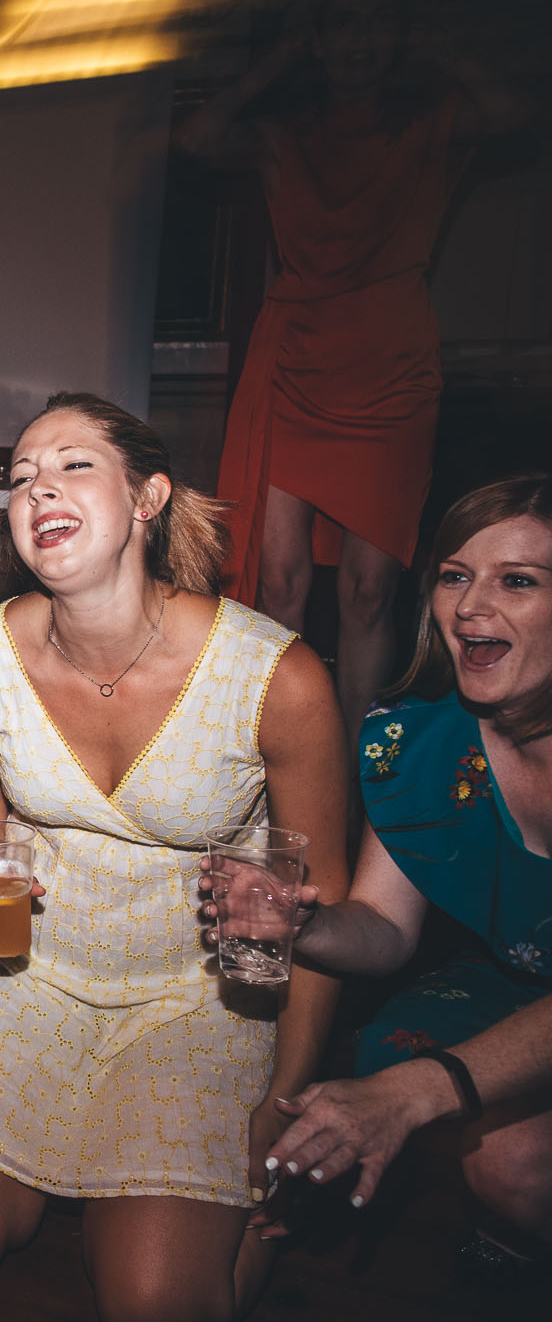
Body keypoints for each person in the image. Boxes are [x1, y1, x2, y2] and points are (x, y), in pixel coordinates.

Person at [0, 394, 349, 1321]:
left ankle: (203, 1223)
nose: (38, 489)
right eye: (19, 477)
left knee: (155, 1304)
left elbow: (327, 907)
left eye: (71, 465)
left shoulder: (276, 676)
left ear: (148, 497)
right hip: (25, 974)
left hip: (200, 995)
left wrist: (288, 1088)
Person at [175, 0, 531, 745]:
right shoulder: (286, 133)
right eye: (343, 21)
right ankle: (280, 748)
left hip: (391, 370)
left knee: (371, 592)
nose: (360, 36)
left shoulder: (427, 126)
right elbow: (200, 137)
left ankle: (349, 768)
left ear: (399, 36)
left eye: (377, 20)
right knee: (279, 583)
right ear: (318, 37)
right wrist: (279, 56)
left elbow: (517, 114)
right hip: (296, 359)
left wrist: (439, 45)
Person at [222, 473, 552, 1283]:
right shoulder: (424, 742)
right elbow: (384, 926)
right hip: (519, 979)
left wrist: (417, 1092)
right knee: (419, 1091)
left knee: (488, 1145)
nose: (471, 606)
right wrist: (307, 924)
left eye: (517, 580)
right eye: (454, 575)